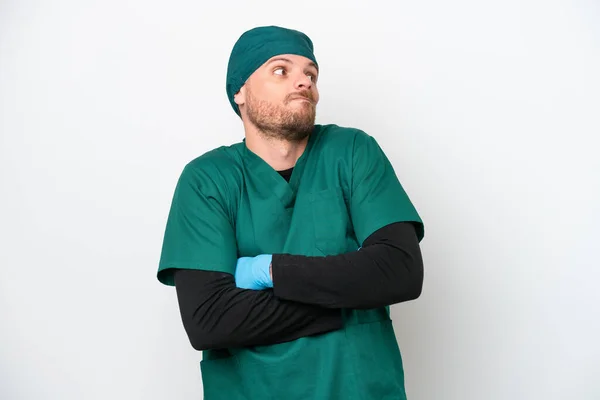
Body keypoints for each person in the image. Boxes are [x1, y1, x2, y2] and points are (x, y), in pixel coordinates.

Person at [156, 25, 425, 400]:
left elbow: (401, 272)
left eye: (310, 74)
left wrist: (269, 270)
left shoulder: (351, 152)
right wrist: (349, 299)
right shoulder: (207, 180)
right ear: (240, 92)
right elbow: (210, 321)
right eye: (281, 70)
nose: (303, 82)